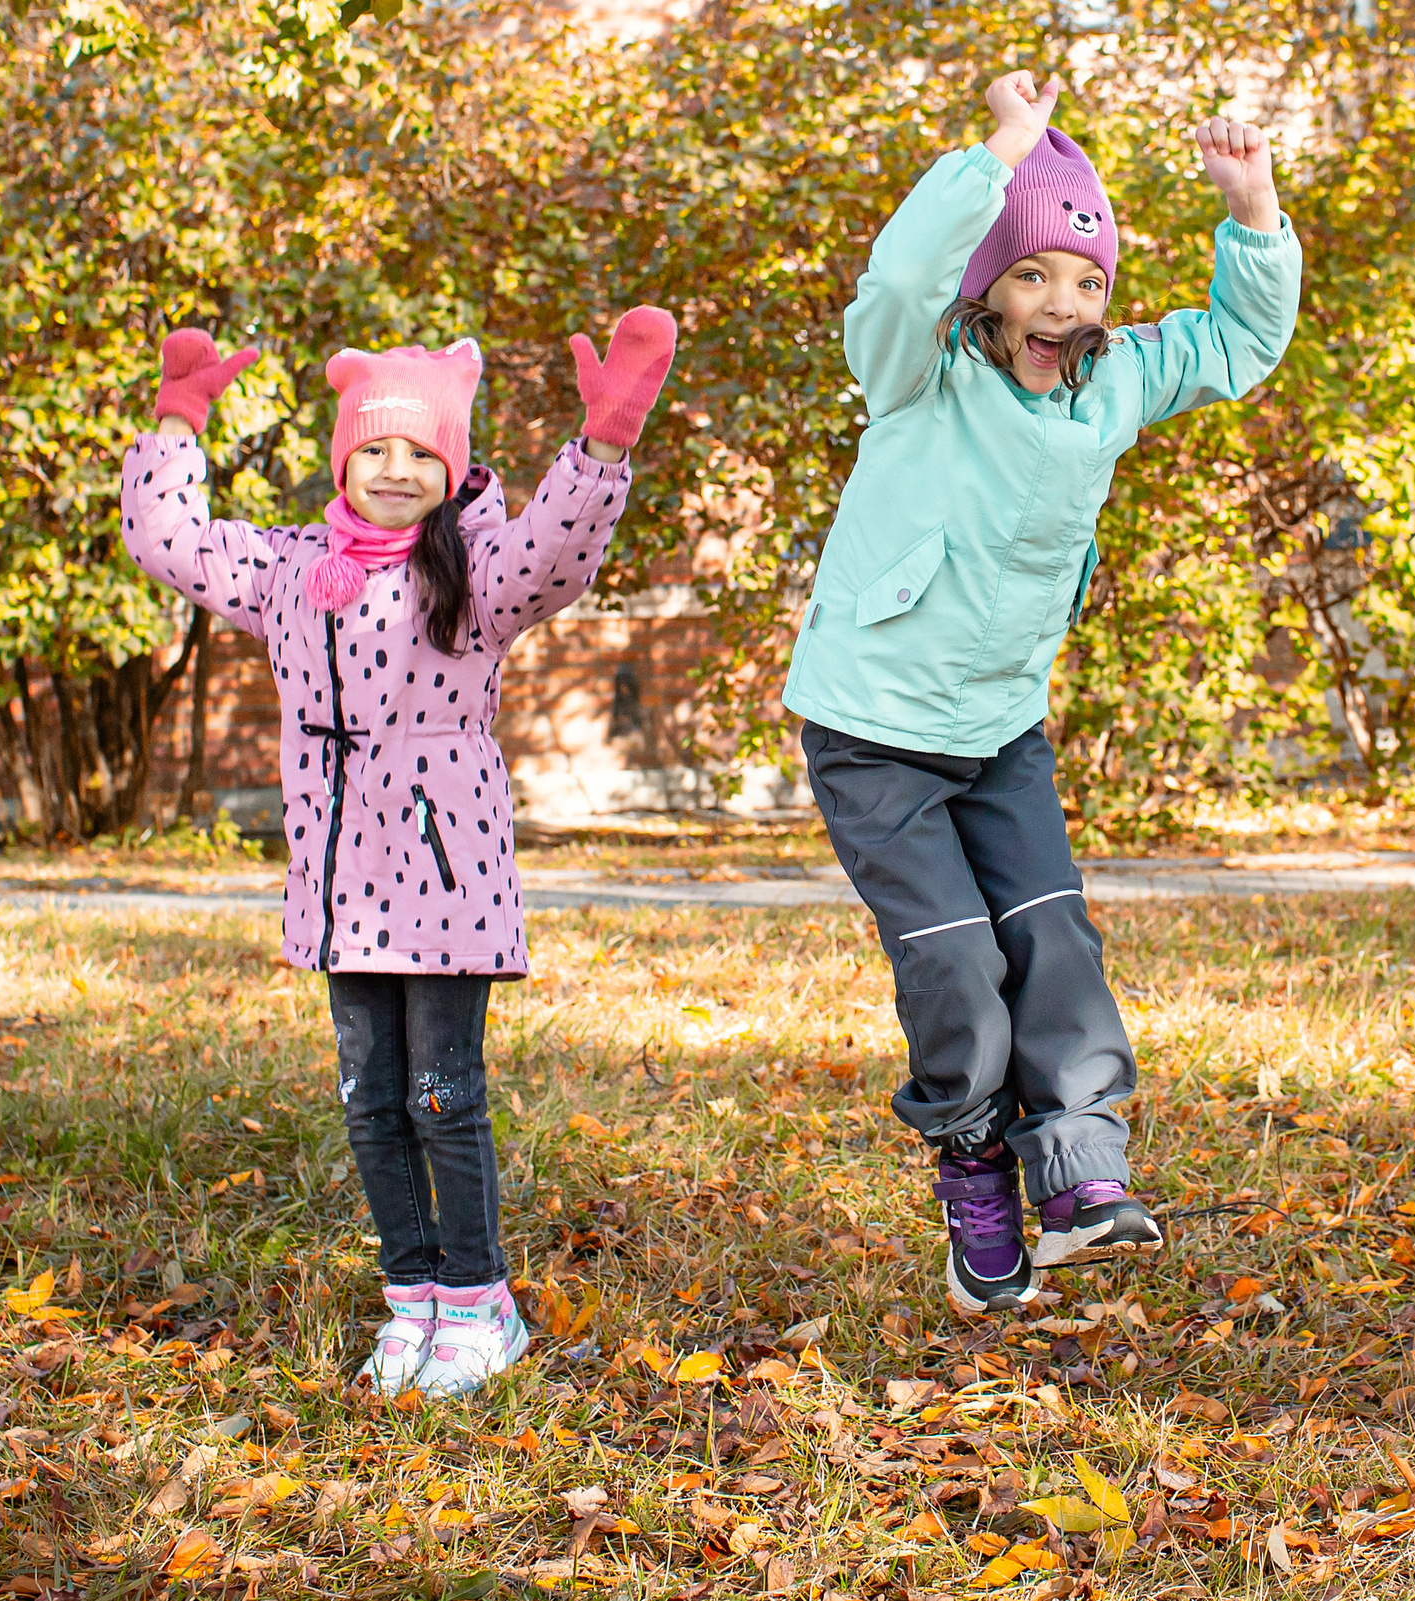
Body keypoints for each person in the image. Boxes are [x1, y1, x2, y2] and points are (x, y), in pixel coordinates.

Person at [780, 70, 1303, 1314]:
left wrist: (1255, 217)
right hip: (873, 729)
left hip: (1000, 722)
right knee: (958, 964)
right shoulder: (919, 368)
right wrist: (998, 150)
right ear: (988, 286)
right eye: (1033, 276)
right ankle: (973, 1164)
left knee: (1052, 939)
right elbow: (899, 279)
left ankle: (1077, 1170)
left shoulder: (1112, 380)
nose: (1062, 304)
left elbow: (1234, 345)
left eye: (1087, 279)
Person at [120, 311, 676, 1396]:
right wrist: (179, 421)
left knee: (440, 1094)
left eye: (421, 450)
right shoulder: (291, 569)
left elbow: (557, 551)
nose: (393, 467)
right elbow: (175, 545)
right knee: (368, 1099)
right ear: (341, 457)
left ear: (451, 466)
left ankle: (479, 1302)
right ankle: (412, 1300)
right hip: (338, 882)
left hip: (443, 874)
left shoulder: (471, 578)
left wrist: (603, 442)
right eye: (373, 446)